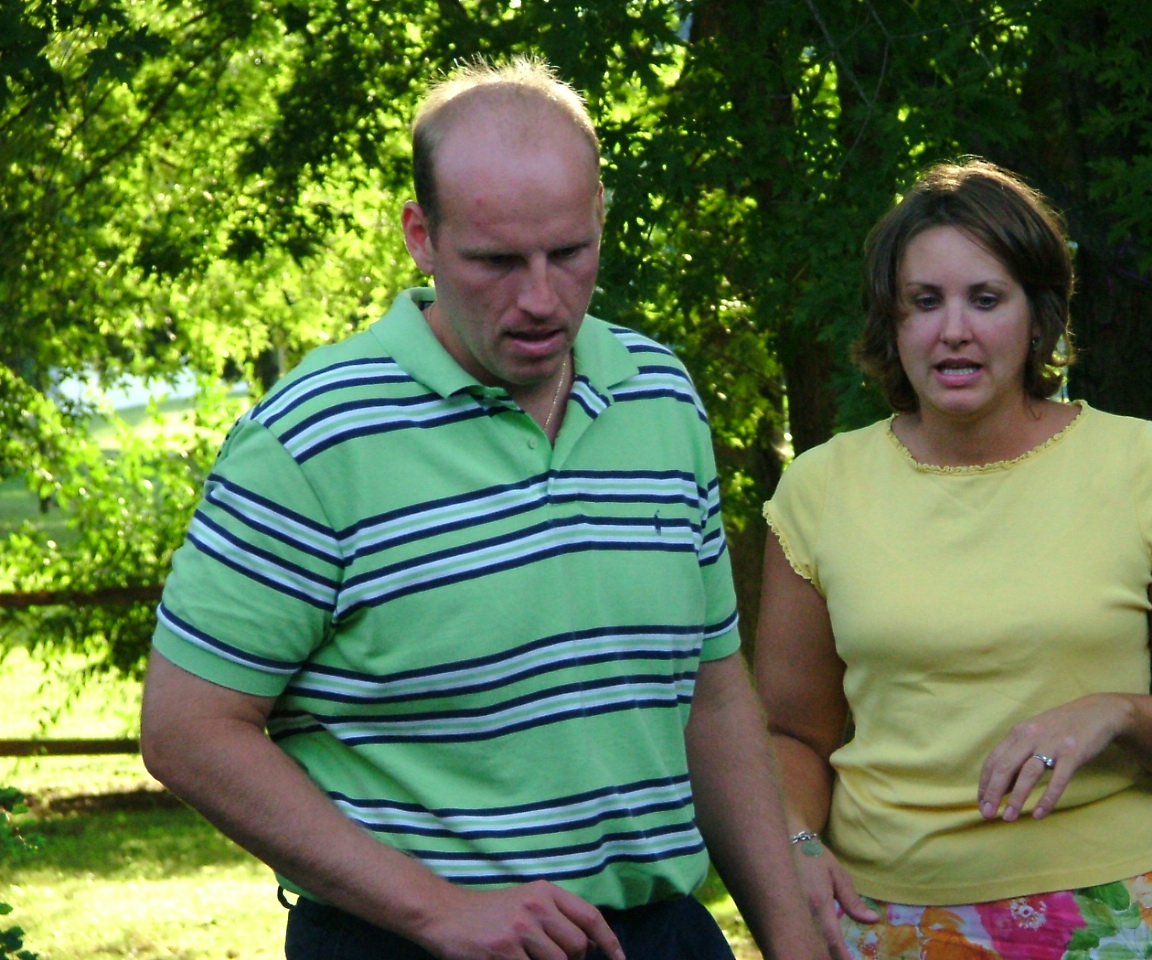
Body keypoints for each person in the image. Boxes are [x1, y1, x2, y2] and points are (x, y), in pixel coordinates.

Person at [141, 56, 827, 960]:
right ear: (421, 237)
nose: (540, 299)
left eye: (569, 254)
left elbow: (711, 692)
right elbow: (188, 730)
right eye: (496, 261)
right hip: (407, 943)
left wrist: (790, 939)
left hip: (659, 935)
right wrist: (436, 910)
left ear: (600, 218)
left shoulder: (659, 395)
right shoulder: (313, 436)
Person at [754, 159, 1152, 960]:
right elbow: (792, 733)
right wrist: (795, 845)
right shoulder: (820, 490)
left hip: (1118, 912)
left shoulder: (1140, 467)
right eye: (924, 301)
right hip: (890, 918)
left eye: (986, 299)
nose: (953, 330)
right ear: (891, 322)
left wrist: (1115, 714)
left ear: (1040, 318)